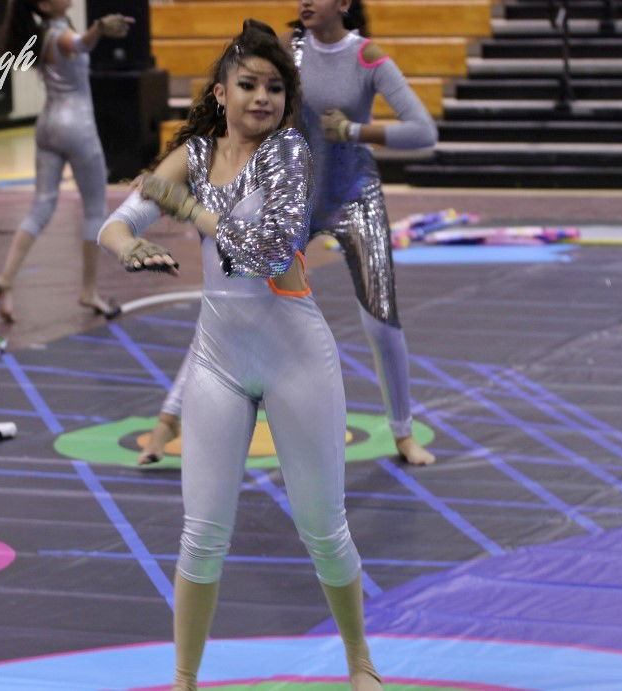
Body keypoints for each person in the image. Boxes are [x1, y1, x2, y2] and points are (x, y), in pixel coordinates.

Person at [97, 20, 382, 690]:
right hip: (218, 360)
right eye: (248, 84)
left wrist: (191, 211)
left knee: (323, 528)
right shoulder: (194, 155)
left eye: (275, 87)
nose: (262, 97)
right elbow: (120, 218)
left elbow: (269, 253)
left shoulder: (289, 153)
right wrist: (128, 245)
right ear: (221, 93)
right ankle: (184, 681)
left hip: (294, 356)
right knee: (201, 534)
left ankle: (361, 663)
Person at [138, 0, 439, 467]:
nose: (305, 2)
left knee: (381, 319)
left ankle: (403, 433)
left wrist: (355, 131)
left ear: (343, 4)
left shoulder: (367, 57)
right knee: (234, 300)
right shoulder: (288, 49)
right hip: (294, 196)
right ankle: (167, 420)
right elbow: (237, 103)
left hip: (354, 196)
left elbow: (424, 132)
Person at [0, 0, 133, 323]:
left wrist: (94, 31)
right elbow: (79, 43)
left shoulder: (43, 33)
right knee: (95, 209)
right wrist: (98, 28)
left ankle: (6, 279)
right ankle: (89, 291)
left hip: (48, 126)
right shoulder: (58, 35)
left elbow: (76, 42)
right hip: (76, 128)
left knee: (41, 206)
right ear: (44, 5)